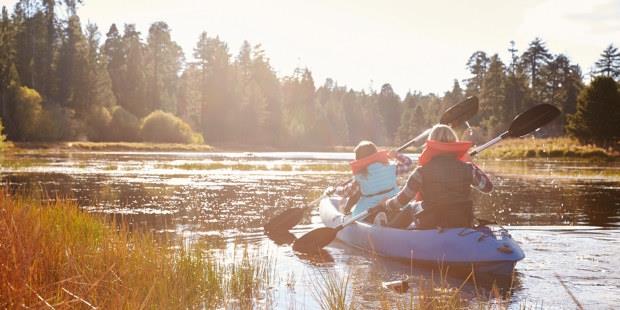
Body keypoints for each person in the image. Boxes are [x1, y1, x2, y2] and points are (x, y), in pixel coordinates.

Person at [380, 124, 493, 229]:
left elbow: (402, 200)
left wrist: (387, 204)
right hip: (462, 221)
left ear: (430, 143)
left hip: (432, 222)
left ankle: (387, 230)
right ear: (454, 142)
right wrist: (471, 163)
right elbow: (488, 187)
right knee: (416, 206)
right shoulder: (469, 168)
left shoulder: (421, 172)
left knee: (410, 207)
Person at [331, 140, 413, 224]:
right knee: (392, 208)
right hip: (392, 204)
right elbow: (408, 164)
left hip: (369, 209)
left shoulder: (360, 176)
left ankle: (375, 218)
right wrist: (396, 155)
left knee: (362, 212)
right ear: (376, 153)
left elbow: (347, 193)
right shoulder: (392, 167)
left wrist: (337, 190)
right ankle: (387, 216)